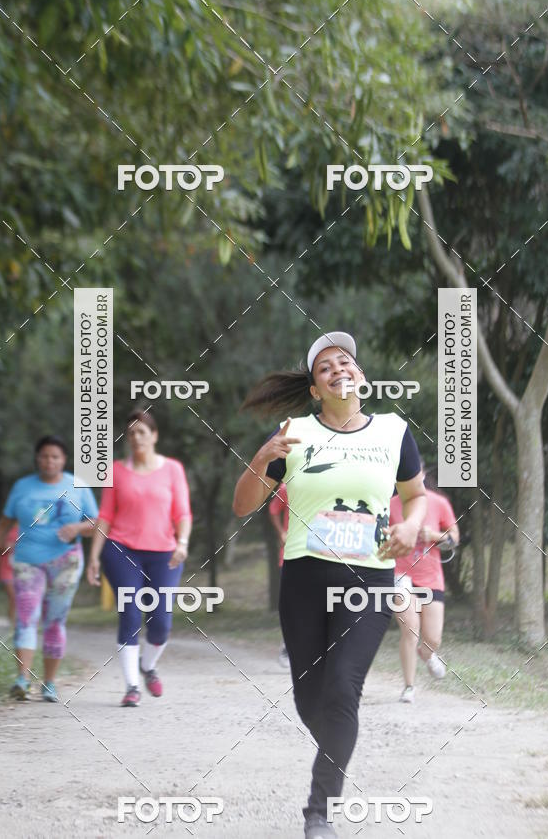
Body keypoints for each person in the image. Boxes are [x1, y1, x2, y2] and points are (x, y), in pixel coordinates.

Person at [233, 332, 426, 839]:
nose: (337, 369)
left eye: (345, 362)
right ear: (316, 390)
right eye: (325, 368)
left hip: (369, 580)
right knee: (309, 699)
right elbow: (242, 506)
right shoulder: (293, 432)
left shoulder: (392, 431)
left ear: (360, 377)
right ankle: (338, 748)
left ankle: (318, 811)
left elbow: (417, 496)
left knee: (343, 689)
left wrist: (409, 525)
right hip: (304, 578)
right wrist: (260, 458)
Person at [0, 436, 98, 701]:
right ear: (37, 458)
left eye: (55, 457)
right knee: (26, 616)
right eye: (44, 456)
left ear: (63, 460)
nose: (49, 461)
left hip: (66, 562)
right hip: (28, 561)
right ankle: (22, 679)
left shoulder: (78, 486)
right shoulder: (23, 487)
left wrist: (77, 527)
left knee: (55, 621)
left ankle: (50, 683)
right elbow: (3, 525)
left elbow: (97, 524)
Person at [87, 409, 192, 707]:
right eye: (131, 433)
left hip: (165, 552)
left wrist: (182, 542)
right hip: (121, 549)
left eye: (142, 432)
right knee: (130, 613)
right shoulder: (115, 470)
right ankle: (132, 686)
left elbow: (182, 513)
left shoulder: (172, 469)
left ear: (154, 435)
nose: (136, 438)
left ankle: (148, 666)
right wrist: (94, 556)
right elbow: (105, 516)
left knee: (160, 622)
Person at [392, 466, 460, 703]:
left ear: (421, 475)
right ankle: (409, 687)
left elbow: (454, 538)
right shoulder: (390, 504)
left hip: (431, 577)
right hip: (400, 574)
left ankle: (428, 654)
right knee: (410, 629)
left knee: (433, 638)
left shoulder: (439, 503)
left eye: (413, 473)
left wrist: (433, 535)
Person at [268, 481, 289, 668]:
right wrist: (281, 533)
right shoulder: (287, 486)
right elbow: (273, 509)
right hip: (290, 554)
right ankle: (287, 646)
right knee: (291, 603)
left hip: (319, 554)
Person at [0, 524, 18, 625]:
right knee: (13, 596)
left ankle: (14, 620)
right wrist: (6, 546)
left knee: (18, 597)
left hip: (20, 569)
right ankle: (12, 622)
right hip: (6, 569)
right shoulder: (6, 528)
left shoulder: (27, 527)